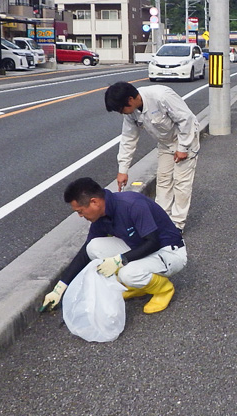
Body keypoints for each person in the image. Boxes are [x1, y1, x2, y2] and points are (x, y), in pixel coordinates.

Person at [40, 177, 187, 315]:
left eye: (80, 211)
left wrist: (119, 260)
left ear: (94, 202)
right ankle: (139, 286)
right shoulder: (100, 217)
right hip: (140, 248)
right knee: (93, 247)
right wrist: (60, 288)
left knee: (127, 274)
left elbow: (153, 242)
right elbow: (85, 253)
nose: (80, 215)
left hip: (169, 251)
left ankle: (164, 289)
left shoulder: (132, 205)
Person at [105, 81, 200, 230]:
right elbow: (128, 138)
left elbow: (186, 119)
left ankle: (177, 225)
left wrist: (183, 148)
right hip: (165, 143)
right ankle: (161, 219)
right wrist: (123, 170)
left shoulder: (161, 96)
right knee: (163, 180)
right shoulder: (132, 112)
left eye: (121, 109)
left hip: (186, 139)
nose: (121, 113)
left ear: (130, 99)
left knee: (181, 183)